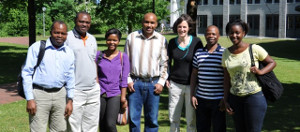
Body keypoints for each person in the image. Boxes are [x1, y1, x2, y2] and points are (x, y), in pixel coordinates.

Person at [222, 19, 276, 132]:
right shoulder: (226, 53)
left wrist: (260, 72)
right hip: (235, 98)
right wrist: (226, 100)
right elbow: (226, 79)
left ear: (244, 33)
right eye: (231, 32)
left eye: (237, 32)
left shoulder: (254, 48)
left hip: (254, 97)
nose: (234, 35)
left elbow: (272, 62)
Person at [22, 20, 75, 132]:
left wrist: (70, 100)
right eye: (57, 32)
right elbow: (27, 73)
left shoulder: (69, 52)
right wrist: (30, 99)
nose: (60, 36)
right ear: (51, 32)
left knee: (60, 129)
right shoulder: (37, 47)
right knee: (38, 129)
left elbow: (70, 77)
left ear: (66, 35)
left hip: (60, 95)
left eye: (63, 33)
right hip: (40, 95)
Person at [124, 12, 168, 132]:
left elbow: (165, 64)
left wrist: (161, 82)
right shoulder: (131, 37)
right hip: (135, 83)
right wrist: (128, 80)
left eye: (152, 22)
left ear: (156, 24)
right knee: (134, 120)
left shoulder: (161, 40)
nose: (149, 25)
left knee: (152, 120)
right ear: (142, 22)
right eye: (146, 22)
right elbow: (126, 62)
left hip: (153, 84)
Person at [166, 14, 203, 132]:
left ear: (189, 28)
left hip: (191, 86)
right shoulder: (171, 43)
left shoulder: (197, 42)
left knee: (191, 119)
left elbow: (200, 63)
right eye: (179, 27)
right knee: (173, 118)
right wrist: (166, 78)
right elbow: (167, 62)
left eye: (184, 27)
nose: (182, 29)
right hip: (175, 85)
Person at [66, 11, 100, 132]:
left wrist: (96, 81)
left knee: (91, 126)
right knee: (74, 126)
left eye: (87, 22)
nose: (84, 24)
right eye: (81, 21)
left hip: (92, 90)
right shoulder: (67, 37)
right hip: (76, 90)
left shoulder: (92, 38)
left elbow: (93, 60)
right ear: (75, 21)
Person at [190, 25, 226, 132]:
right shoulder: (199, 53)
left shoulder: (224, 53)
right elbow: (194, 74)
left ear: (218, 36)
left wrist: (225, 97)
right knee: (202, 128)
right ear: (205, 35)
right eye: (208, 33)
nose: (211, 36)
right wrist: (192, 94)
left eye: (214, 34)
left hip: (218, 100)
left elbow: (227, 77)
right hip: (201, 99)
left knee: (219, 128)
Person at [97, 28, 130, 132]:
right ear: (106, 40)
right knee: (102, 123)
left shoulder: (123, 57)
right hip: (100, 93)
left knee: (110, 123)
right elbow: (95, 74)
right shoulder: (99, 55)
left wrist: (123, 98)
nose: (112, 42)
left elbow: (124, 79)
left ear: (119, 41)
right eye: (109, 39)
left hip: (115, 94)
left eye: (115, 40)